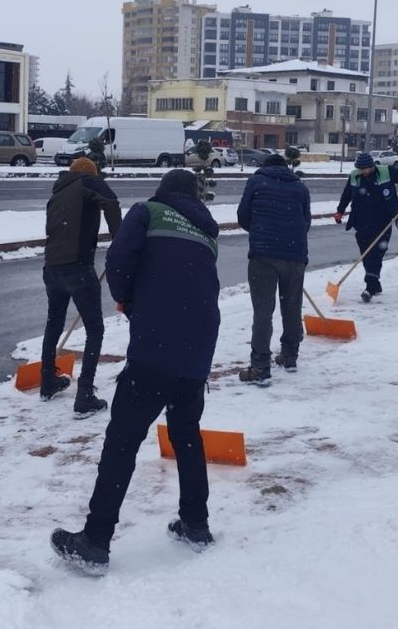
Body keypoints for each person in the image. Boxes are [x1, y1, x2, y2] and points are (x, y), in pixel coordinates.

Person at [51, 169, 221, 575]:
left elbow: (118, 260)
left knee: (123, 439)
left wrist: (125, 298)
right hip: (198, 349)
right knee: (186, 434)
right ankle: (196, 524)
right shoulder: (207, 230)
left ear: (163, 191)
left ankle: (94, 540)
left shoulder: (147, 212)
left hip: (157, 347)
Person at [40, 156, 122, 417]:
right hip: (78, 267)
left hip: (52, 268)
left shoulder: (58, 192)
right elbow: (111, 202)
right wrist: (120, 241)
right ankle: (84, 396)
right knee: (95, 329)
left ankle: (48, 382)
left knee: (54, 323)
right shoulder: (88, 182)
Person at [236, 153, 311, 385]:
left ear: (265, 167)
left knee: (263, 310)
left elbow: (242, 217)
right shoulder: (299, 186)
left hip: (263, 255)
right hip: (295, 255)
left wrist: (261, 233)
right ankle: (289, 356)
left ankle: (260, 366)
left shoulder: (257, 182)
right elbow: (306, 221)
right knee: (292, 305)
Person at [334, 152, 398, 302]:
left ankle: (369, 287)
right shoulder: (355, 176)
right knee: (366, 255)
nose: (362, 172)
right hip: (361, 221)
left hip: (384, 220)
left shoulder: (387, 171)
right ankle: (375, 284)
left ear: (371, 166)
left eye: (365, 169)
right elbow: (346, 194)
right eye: (360, 169)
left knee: (377, 253)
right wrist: (340, 211)